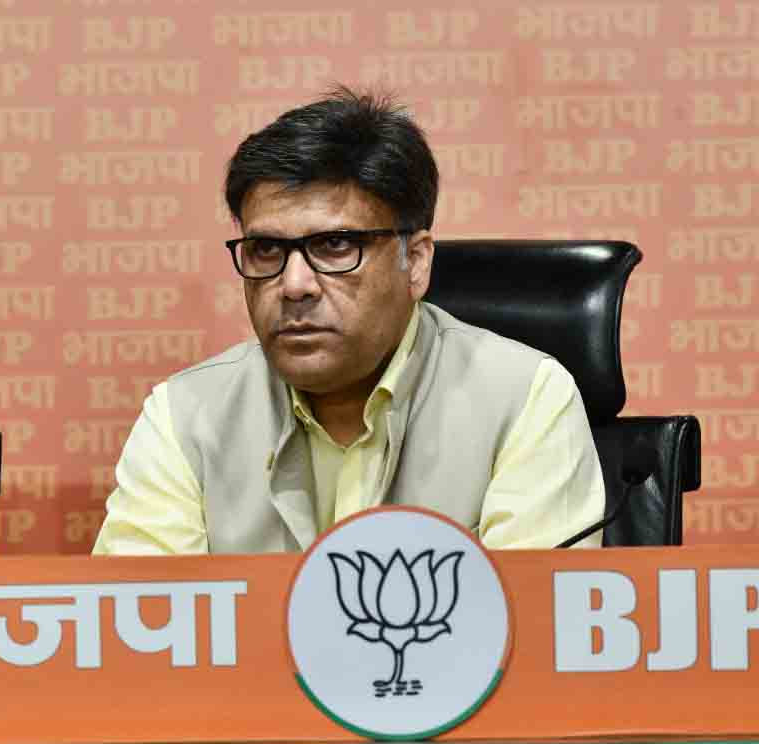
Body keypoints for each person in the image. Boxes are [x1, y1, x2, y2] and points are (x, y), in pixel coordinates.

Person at [93, 87, 605, 555]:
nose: (294, 285)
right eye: (266, 249)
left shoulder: (524, 399)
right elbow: (144, 631)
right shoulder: (184, 417)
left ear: (417, 261)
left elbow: (534, 630)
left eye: (335, 246)